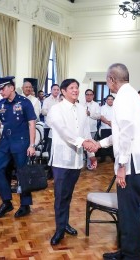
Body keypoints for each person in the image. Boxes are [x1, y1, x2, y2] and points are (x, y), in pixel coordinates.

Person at [94, 63, 140, 260]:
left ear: (112, 79)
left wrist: (121, 166)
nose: (107, 83)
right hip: (137, 163)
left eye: (107, 79)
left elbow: (126, 134)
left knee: (129, 213)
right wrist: (99, 144)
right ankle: (126, 251)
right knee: (127, 212)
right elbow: (121, 132)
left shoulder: (122, 98)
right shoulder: (132, 96)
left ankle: (131, 256)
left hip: (132, 165)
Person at [46, 78, 97, 246]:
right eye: (72, 88)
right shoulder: (56, 109)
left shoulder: (82, 109)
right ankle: (59, 229)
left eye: (77, 88)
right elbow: (64, 131)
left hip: (76, 159)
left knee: (68, 195)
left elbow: (86, 131)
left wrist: (91, 155)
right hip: (61, 160)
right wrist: (83, 143)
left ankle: (65, 223)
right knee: (60, 196)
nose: (76, 90)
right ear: (63, 91)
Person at [0, 76, 36, 219]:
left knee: (22, 173)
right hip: (5, 141)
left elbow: (32, 124)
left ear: (11, 88)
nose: (0, 92)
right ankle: (7, 202)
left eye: (2, 89)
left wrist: (32, 145)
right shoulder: (0, 103)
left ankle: (25, 205)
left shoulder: (25, 103)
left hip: (21, 141)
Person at [84, 89, 101, 169]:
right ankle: (82, 163)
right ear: (85, 95)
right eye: (87, 94)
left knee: (90, 147)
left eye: (91, 94)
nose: (89, 96)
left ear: (93, 96)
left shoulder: (96, 105)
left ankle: (90, 164)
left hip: (92, 129)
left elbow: (98, 116)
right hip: (83, 129)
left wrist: (90, 114)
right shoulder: (80, 104)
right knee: (82, 147)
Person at [41, 84, 60, 153]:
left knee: (57, 145)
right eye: (54, 89)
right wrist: (52, 113)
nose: (56, 91)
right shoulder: (47, 100)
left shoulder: (61, 100)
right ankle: (47, 161)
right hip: (48, 126)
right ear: (51, 90)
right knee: (48, 144)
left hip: (58, 126)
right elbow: (43, 111)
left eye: (58, 90)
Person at [98, 95, 115, 163]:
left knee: (114, 143)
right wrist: (108, 123)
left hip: (114, 129)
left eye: (112, 99)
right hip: (105, 128)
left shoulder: (116, 107)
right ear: (106, 100)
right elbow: (101, 117)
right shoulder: (102, 108)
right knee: (104, 143)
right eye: (109, 99)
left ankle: (113, 157)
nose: (110, 100)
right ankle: (102, 157)